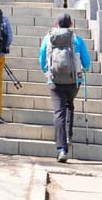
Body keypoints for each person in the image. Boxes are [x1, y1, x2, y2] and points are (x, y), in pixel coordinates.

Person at [38, 13, 91, 163]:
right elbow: (86, 63)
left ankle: (62, 149)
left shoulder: (48, 38)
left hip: (54, 80)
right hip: (74, 81)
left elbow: (42, 59)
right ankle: (68, 135)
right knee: (69, 104)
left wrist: (47, 71)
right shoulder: (77, 40)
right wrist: (84, 68)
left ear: (56, 24)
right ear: (71, 24)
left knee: (59, 111)